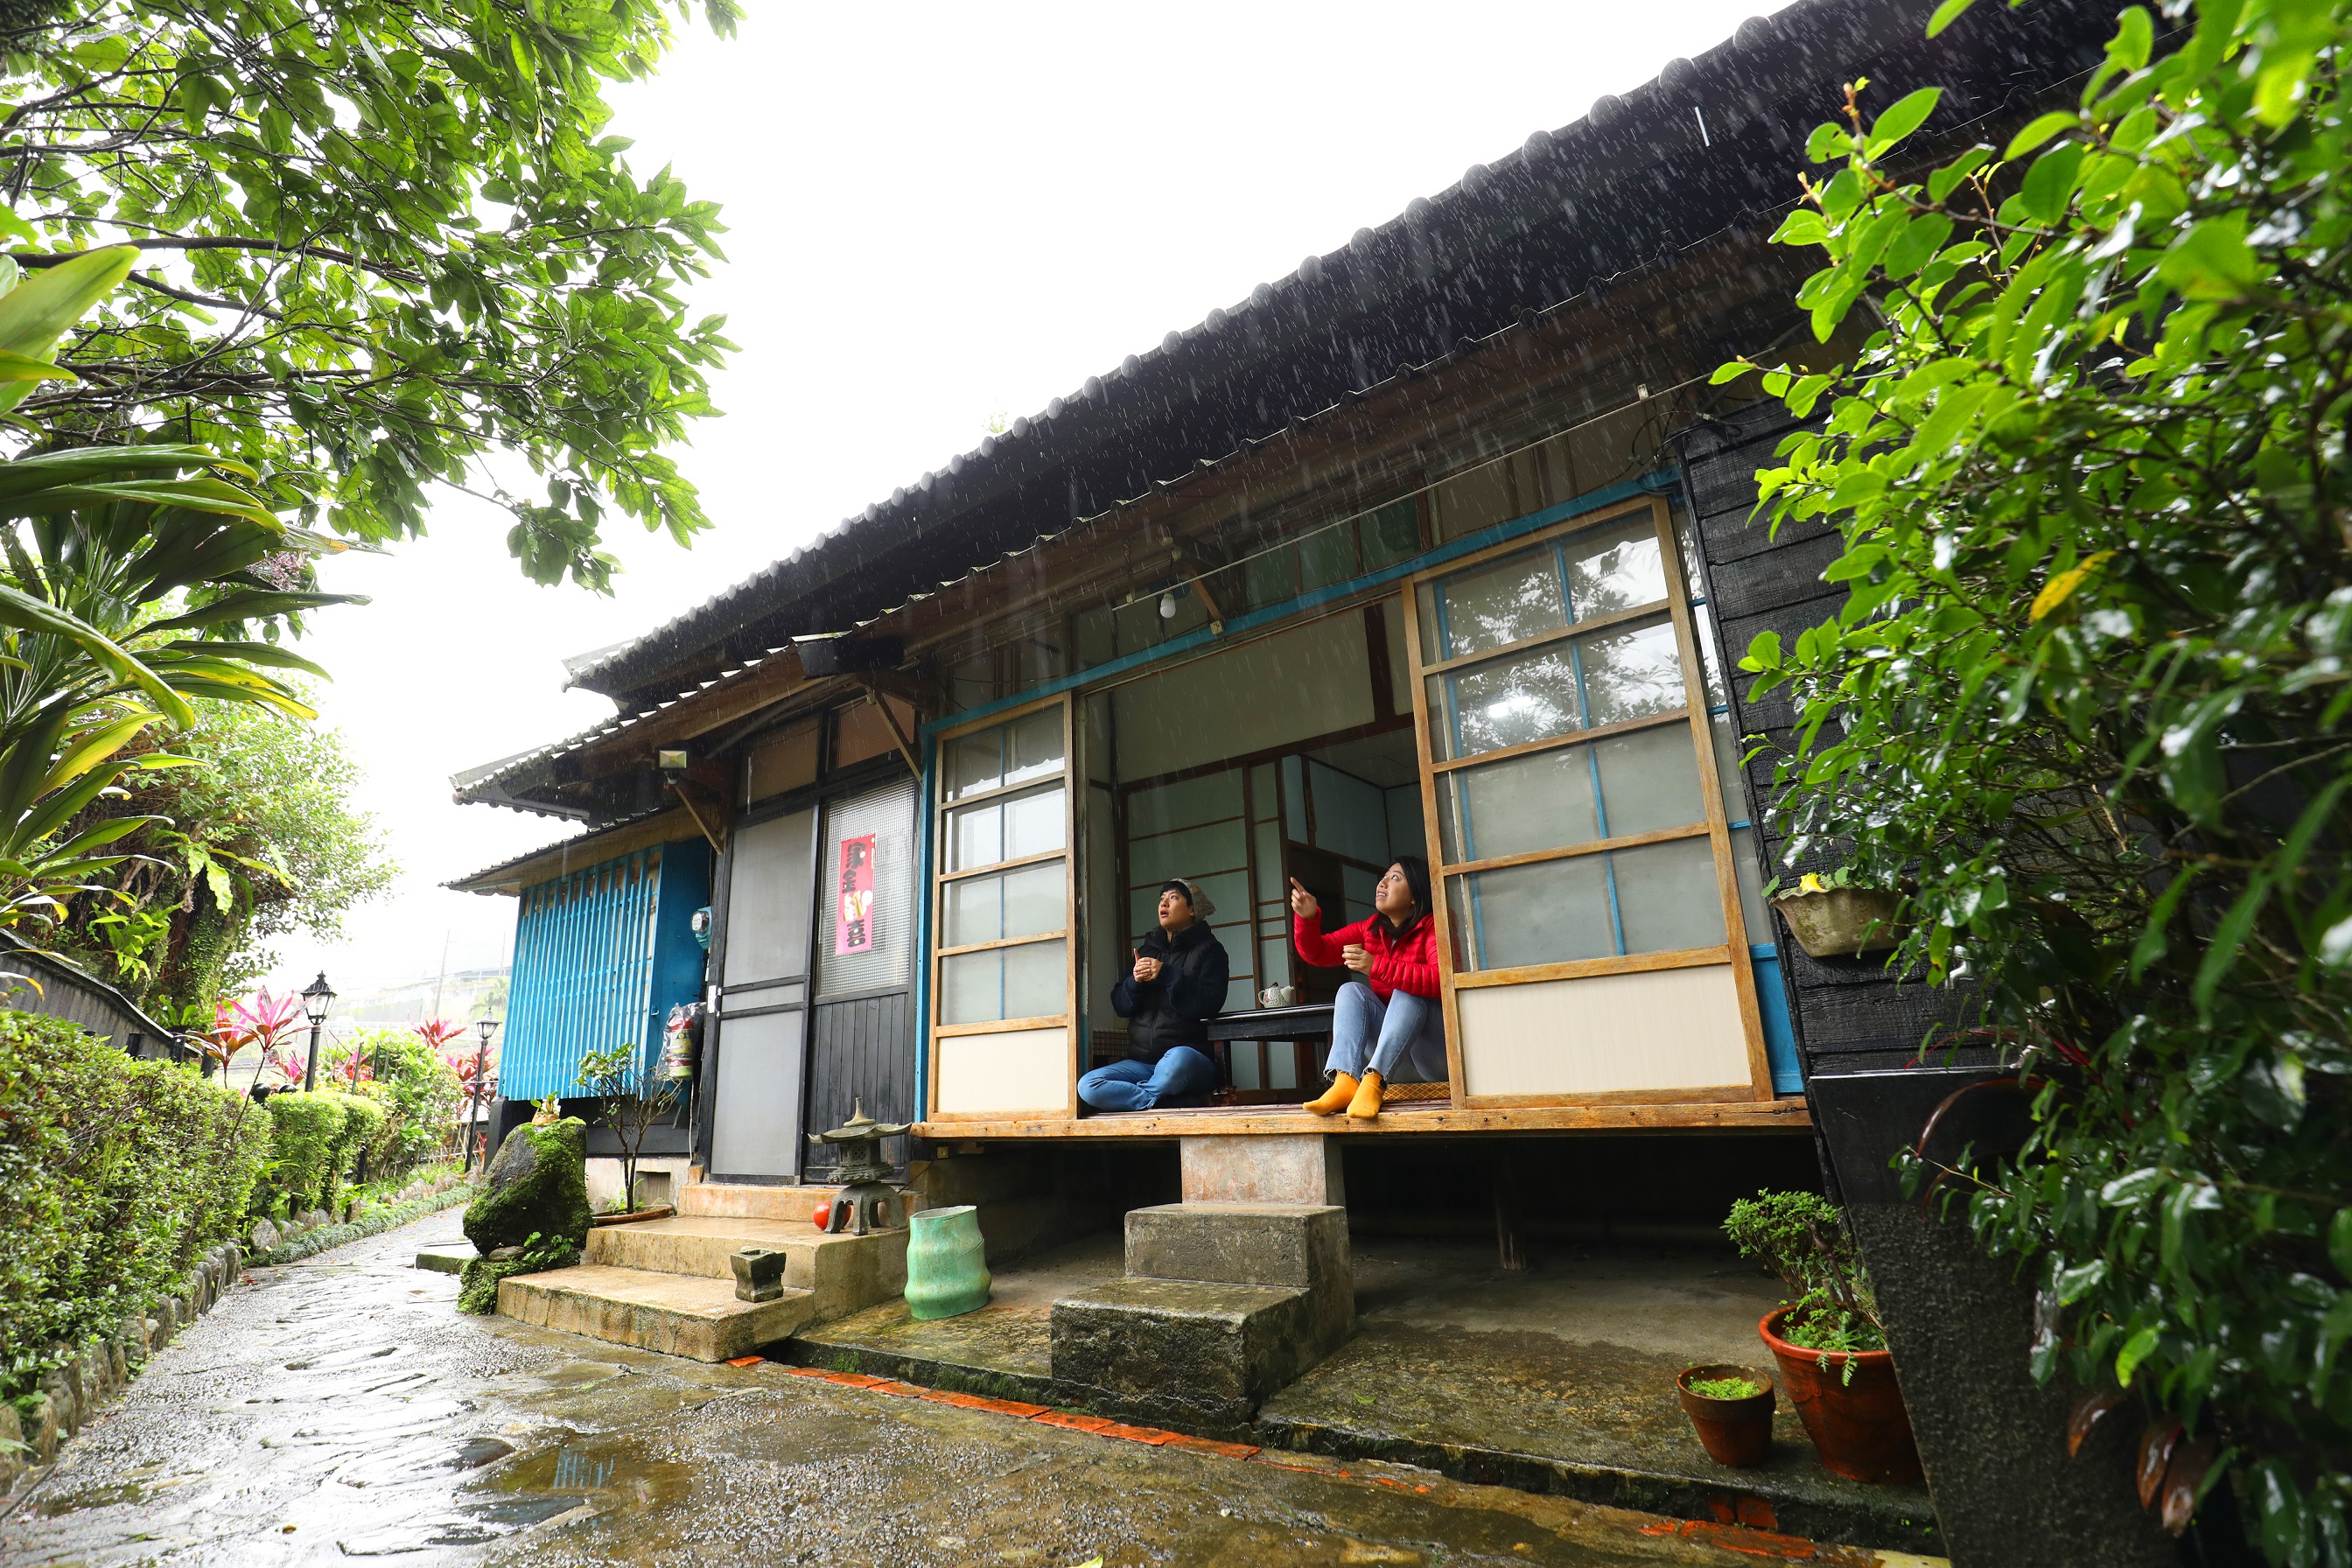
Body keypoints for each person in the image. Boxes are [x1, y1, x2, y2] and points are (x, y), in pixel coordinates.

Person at [1292, 857, 1441, 1120]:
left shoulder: (1433, 926)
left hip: (1434, 1058)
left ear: (1415, 896)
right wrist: (1308, 918)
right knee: (1350, 990)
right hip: (1396, 1063)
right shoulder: (1371, 930)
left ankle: (1374, 1081)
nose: (1383, 883)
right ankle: (1346, 1081)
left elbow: (1441, 979)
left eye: (1395, 878)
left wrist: (1377, 966)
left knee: (1407, 989)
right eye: (1384, 876)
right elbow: (1318, 952)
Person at [1078, 878, 1230, 1112]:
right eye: (1162, 899)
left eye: (1173, 898)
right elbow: (1121, 1006)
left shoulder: (1211, 950)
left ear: (1192, 910)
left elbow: (1210, 1003)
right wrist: (1134, 982)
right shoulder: (1146, 951)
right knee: (1088, 1086)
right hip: (1142, 1064)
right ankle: (1163, 1101)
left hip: (1188, 1059)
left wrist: (1167, 974)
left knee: (1177, 1062)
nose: (1164, 904)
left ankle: (1142, 1097)